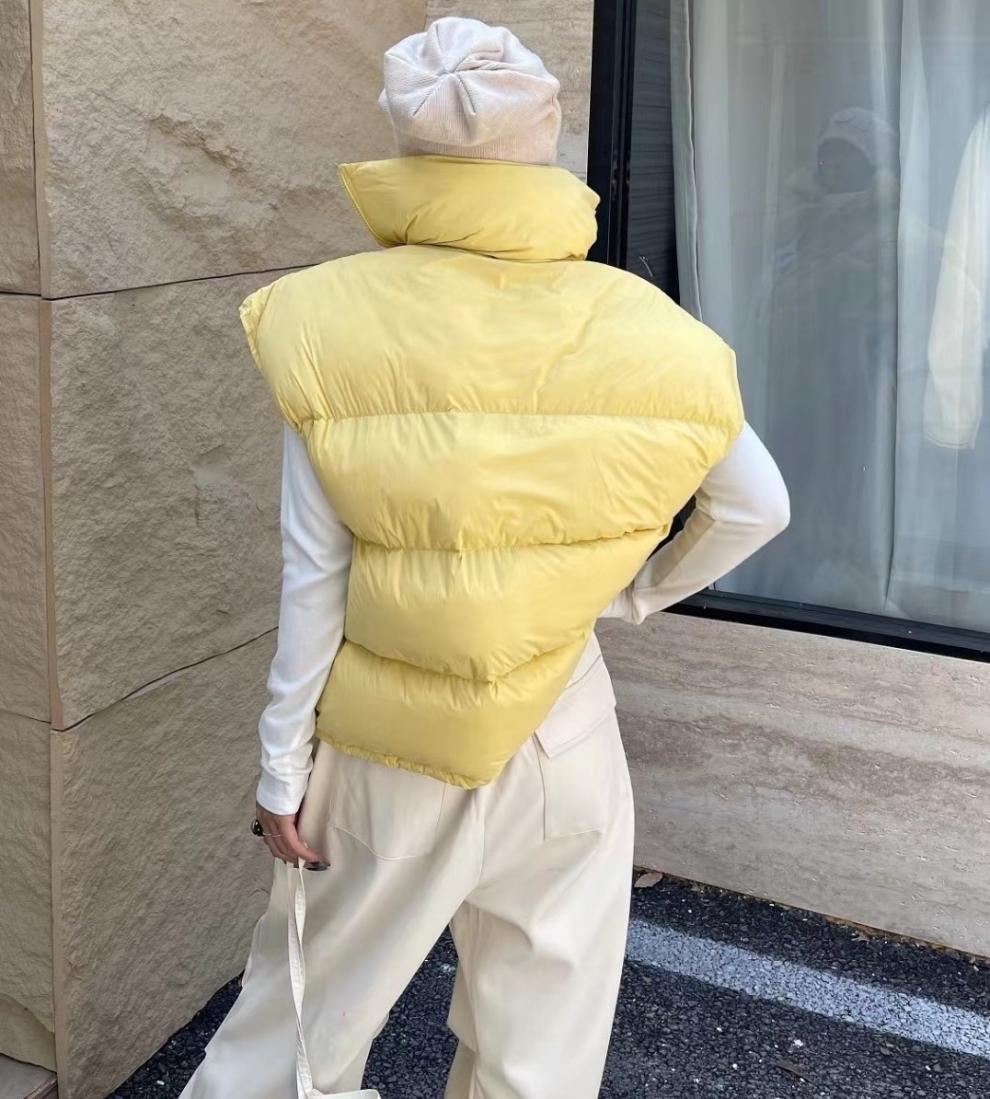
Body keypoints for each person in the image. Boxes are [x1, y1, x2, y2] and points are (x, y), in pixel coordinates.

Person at [179, 16, 789, 1099]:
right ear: (543, 144)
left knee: (298, 1035)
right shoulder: (644, 322)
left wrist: (281, 768)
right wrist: (627, 595)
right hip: (565, 731)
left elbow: (315, 579)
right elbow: (758, 507)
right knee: (538, 1054)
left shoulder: (324, 319)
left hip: (387, 746)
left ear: (408, 148)